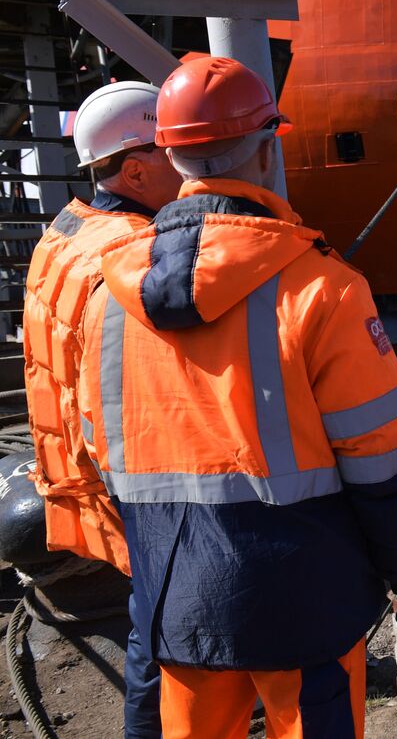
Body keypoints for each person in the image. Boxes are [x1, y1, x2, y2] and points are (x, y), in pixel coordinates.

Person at [77, 57, 397, 739]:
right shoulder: (323, 289)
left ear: (170, 153)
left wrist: (160, 566)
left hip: (175, 604)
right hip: (305, 609)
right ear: (268, 145)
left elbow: (98, 450)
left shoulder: (109, 300)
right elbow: (384, 456)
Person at [23, 80, 185, 738]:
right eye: (176, 149)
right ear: (138, 167)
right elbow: (141, 401)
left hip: (75, 475)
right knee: (164, 626)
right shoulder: (128, 257)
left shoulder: (67, 230)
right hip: (132, 493)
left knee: (153, 618)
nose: (190, 162)